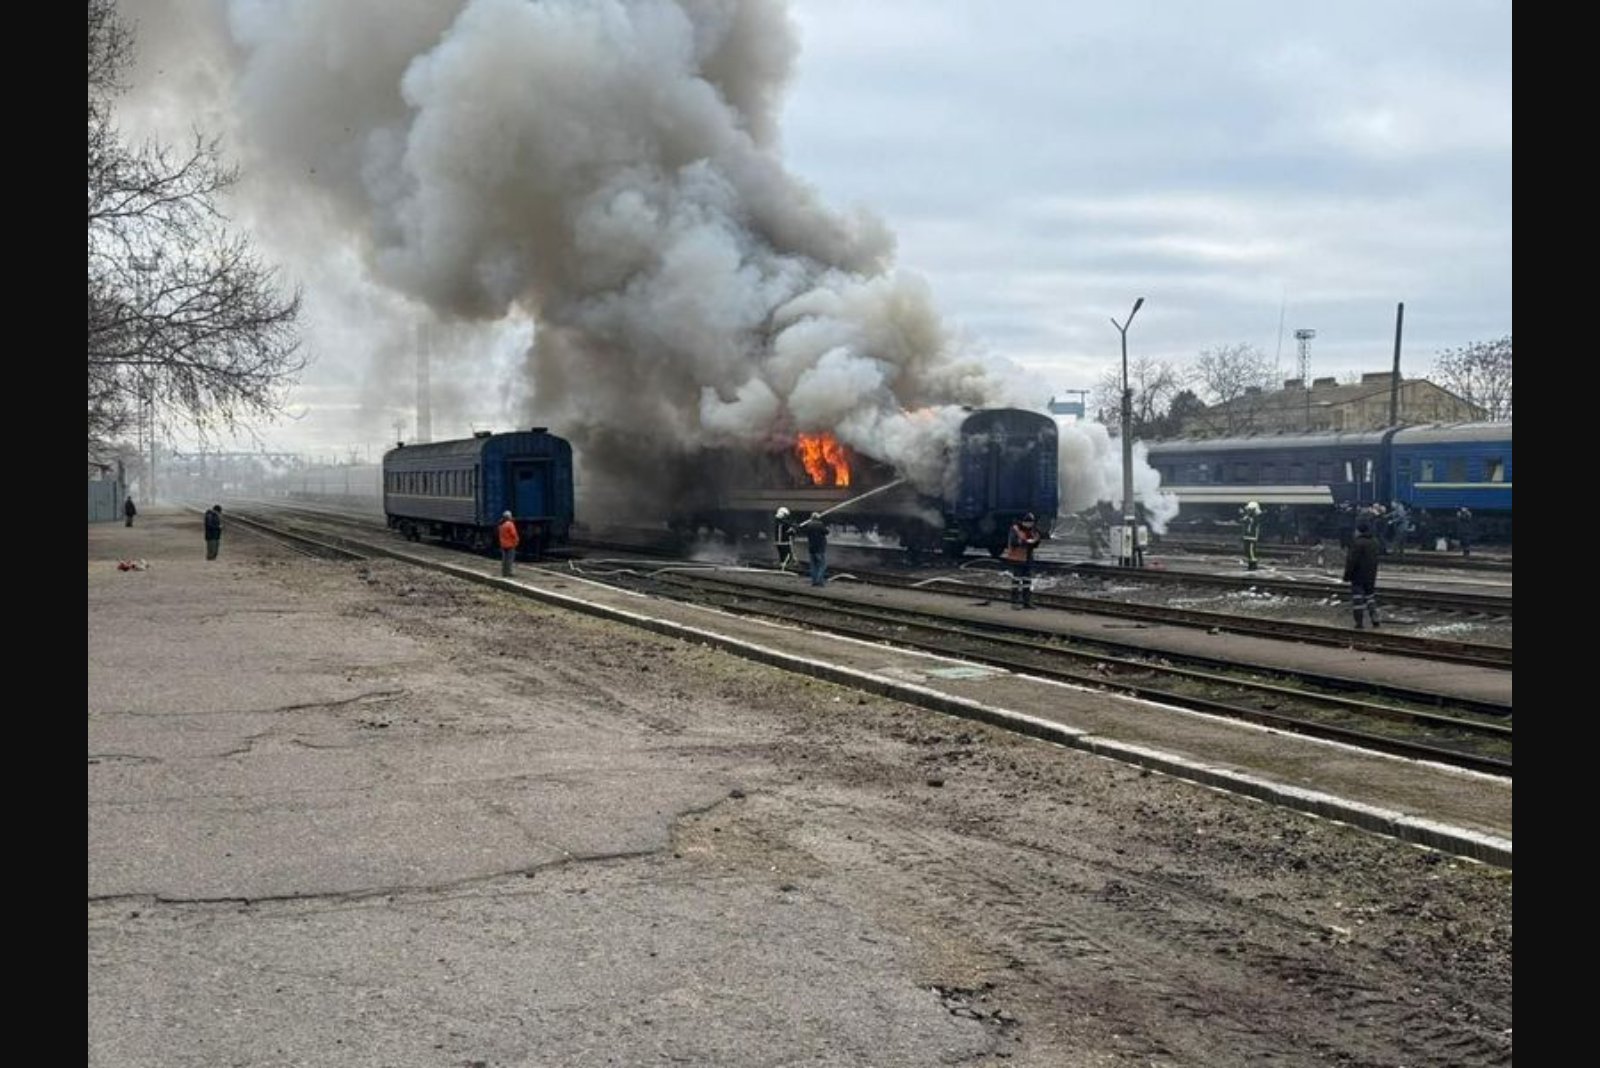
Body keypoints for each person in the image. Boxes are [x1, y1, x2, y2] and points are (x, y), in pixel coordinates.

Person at [1343, 518, 1381, 629]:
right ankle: (1375, 619)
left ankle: (1359, 623)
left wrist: (1347, 576)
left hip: (1358, 576)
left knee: (1358, 600)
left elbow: (1351, 561)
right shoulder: (1375, 542)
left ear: (1359, 531)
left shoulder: (1357, 543)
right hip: (1371, 576)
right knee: (1370, 597)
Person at [1002, 512, 1043, 608]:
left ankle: (1027, 602)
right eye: (1028, 522)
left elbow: (1036, 542)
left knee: (1027, 581)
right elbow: (1013, 542)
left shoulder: (1033, 530)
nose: (1030, 524)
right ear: (1023, 522)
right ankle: (1015, 602)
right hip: (1017, 559)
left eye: (1031, 523)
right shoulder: (1015, 529)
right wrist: (1026, 542)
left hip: (1028, 558)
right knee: (1016, 581)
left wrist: (1035, 541)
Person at [796, 511, 829, 587]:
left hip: (811, 548)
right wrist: (826, 528)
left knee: (813, 566)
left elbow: (804, 532)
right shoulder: (820, 525)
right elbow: (826, 532)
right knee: (822, 565)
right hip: (820, 548)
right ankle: (819, 581)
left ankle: (814, 582)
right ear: (818, 518)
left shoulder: (809, 525)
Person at [1239, 501, 1261, 570]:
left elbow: (1253, 523)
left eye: (1250, 509)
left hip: (1252, 537)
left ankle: (1253, 565)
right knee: (1247, 551)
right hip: (1247, 536)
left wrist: (1245, 516)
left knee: (1251, 551)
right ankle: (1250, 564)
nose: (1248, 510)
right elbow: (1243, 521)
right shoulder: (1248, 516)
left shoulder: (1256, 517)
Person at [773, 506, 796, 571]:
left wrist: (793, 526)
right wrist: (794, 528)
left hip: (778, 543)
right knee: (788, 556)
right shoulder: (785, 524)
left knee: (782, 557)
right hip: (784, 543)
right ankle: (783, 569)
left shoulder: (778, 522)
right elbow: (791, 532)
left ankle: (782, 567)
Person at [497, 510, 520, 577]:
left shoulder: (501, 525)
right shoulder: (510, 524)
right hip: (510, 544)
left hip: (503, 544)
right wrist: (517, 540)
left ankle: (504, 572)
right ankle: (509, 572)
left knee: (504, 560)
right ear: (509, 517)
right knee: (510, 559)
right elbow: (514, 534)